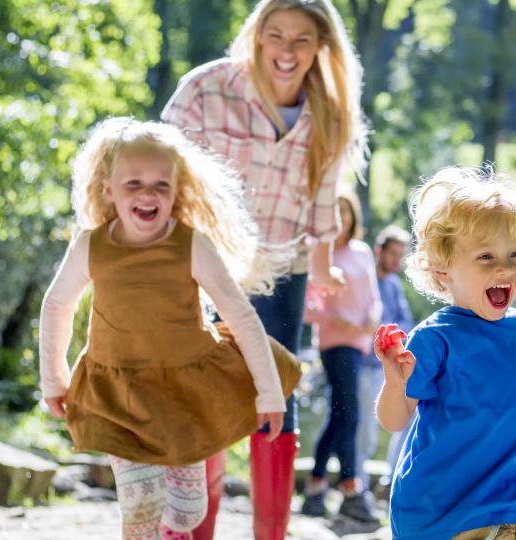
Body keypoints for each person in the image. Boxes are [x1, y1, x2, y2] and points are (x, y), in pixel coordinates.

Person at [38, 118, 301, 540]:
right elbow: (57, 306)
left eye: (161, 185)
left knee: (187, 511)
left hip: (184, 396)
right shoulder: (92, 246)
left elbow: (240, 315)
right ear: (109, 190)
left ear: (177, 192)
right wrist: (54, 379)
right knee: (140, 502)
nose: (147, 194)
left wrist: (269, 394)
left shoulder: (191, 244)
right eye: (134, 183)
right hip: (119, 394)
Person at [160, 0, 367, 537]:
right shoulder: (208, 89)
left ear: (321, 45)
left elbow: (322, 208)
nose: (287, 51)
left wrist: (323, 269)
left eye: (302, 39)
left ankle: (270, 532)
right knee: (204, 398)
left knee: (276, 392)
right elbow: (156, 165)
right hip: (202, 267)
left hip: (282, 269)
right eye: (276, 35)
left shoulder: (330, 112)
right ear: (257, 35)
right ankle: (192, 529)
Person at [375, 167, 516, 539]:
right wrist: (395, 382)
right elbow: (394, 420)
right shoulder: (434, 337)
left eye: (515, 253)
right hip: (446, 511)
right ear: (443, 272)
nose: (504, 266)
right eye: (486, 256)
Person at [301, 192, 381, 522]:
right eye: (336, 212)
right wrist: (333, 320)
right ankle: (350, 488)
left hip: (360, 341)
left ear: (353, 217)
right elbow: (305, 309)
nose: (342, 218)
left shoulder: (362, 252)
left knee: (341, 414)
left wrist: (372, 322)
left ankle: (317, 486)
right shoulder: (321, 254)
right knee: (350, 412)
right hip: (335, 343)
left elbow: (373, 298)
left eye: (346, 212)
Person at [354, 224, 414, 489]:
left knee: (406, 420)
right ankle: (359, 486)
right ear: (379, 251)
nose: (396, 261)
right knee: (365, 430)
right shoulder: (364, 280)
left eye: (401, 255)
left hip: (390, 365)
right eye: (392, 254)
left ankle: (392, 480)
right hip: (365, 363)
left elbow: (405, 322)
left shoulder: (393, 284)